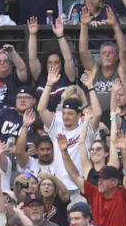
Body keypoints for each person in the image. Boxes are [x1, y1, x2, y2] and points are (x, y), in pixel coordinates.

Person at [38, 66, 101, 194]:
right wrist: (49, 84)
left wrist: (90, 87)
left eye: (70, 114)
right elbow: (41, 109)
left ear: (79, 115)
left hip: (82, 185)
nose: (66, 117)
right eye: (64, 113)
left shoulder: (86, 127)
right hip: (60, 186)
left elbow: (98, 113)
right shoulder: (56, 127)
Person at [28, 18, 76, 112]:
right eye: (50, 63)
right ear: (45, 65)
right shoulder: (41, 77)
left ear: (61, 65)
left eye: (56, 62)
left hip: (63, 118)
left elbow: (68, 59)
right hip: (42, 119)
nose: (53, 65)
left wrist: (60, 36)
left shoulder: (67, 77)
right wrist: (33, 34)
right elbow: (32, 59)